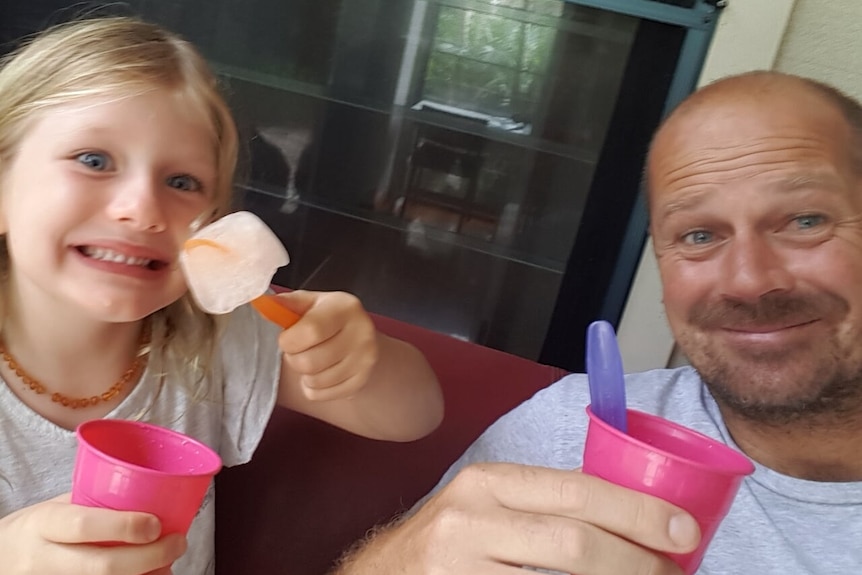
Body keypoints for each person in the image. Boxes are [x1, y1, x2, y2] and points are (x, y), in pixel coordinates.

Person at [331, 70, 862, 575]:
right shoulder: (567, 432)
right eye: (699, 235)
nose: (748, 280)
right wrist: (395, 561)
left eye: (805, 220)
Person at [0, 16, 443, 575]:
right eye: (94, 160)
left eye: (182, 182)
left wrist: (358, 357)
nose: (141, 208)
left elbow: (417, 414)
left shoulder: (214, 343)